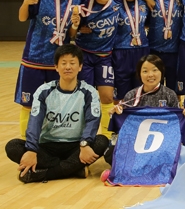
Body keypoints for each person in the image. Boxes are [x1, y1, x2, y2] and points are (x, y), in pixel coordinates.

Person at [5, 44, 109, 183]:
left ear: (80, 67)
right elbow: (34, 121)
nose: (68, 67)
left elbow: (92, 121)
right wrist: (31, 149)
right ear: (56, 67)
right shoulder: (43, 91)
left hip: (76, 146)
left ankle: (44, 174)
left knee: (102, 141)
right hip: (47, 146)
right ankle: (74, 168)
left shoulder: (89, 92)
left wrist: (84, 144)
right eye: (63, 63)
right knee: (12, 146)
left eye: (72, 63)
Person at [14, 0, 85, 138]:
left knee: (56, 104)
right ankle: (25, 143)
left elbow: (72, 34)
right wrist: (25, 2)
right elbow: (23, 18)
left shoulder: (79, 1)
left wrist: (75, 25)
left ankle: (52, 141)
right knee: (29, 104)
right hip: (34, 59)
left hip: (60, 63)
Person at [104, 54, 182, 165]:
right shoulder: (131, 95)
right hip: (137, 143)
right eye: (145, 71)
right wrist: (116, 114)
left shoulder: (170, 94)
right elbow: (124, 127)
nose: (150, 75)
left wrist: (184, 113)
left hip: (161, 143)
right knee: (110, 154)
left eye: (155, 70)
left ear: (161, 72)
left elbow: (176, 124)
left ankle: (139, 166)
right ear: (139, 74)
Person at [73, 0, 120, 136]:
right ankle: (85, 136)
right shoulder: (84, 8)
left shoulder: (117, 3)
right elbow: (72, 33)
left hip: (105, 58)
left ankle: (108, 139)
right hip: (85, 56)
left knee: (107, 97)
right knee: (85, 98)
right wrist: (77, 27)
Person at [112, 0, 150, 101]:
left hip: (142, 50)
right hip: (121, 52)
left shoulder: (144, 4)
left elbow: (148, 24)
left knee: (141, 92)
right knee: (121, 93)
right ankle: (120, 120)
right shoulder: (114, 1)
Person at [147, 0, 183, 93]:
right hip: (154, 50)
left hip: (175, 51)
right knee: (154, 87)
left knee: (175, 89)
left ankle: (174, 112)